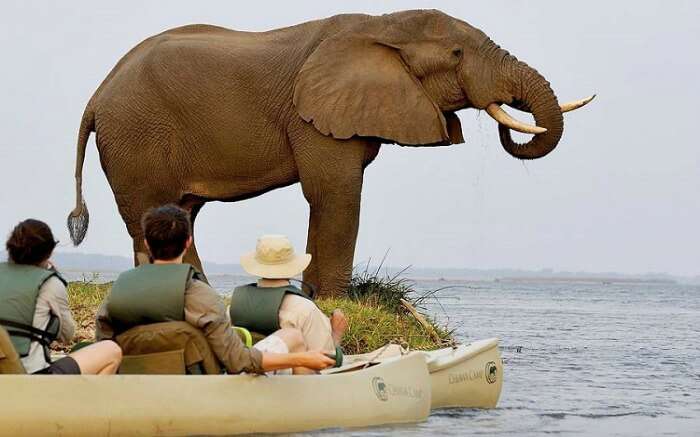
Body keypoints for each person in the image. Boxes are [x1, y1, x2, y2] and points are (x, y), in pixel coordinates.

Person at [96, 204, 334, 375]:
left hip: (135, 380)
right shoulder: (200, 295)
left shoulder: (118, 292)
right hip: (203, 384)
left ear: (147, 243)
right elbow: (237, 361)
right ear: (188, 242)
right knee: (292, 336)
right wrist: (300, 357)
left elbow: (104, 345)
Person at [0, 219, 122, 375]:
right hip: (32, 378)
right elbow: (67, 335)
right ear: (49, 252)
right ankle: (88, 399)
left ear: (10, 247)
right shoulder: (49, 283)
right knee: (111, 350)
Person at [230, 235, 348, 360]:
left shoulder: (235, 305)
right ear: (292, 267)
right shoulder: (306, 309)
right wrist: (336, 334)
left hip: (244, 371)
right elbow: (325, 361)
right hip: (290, 377)